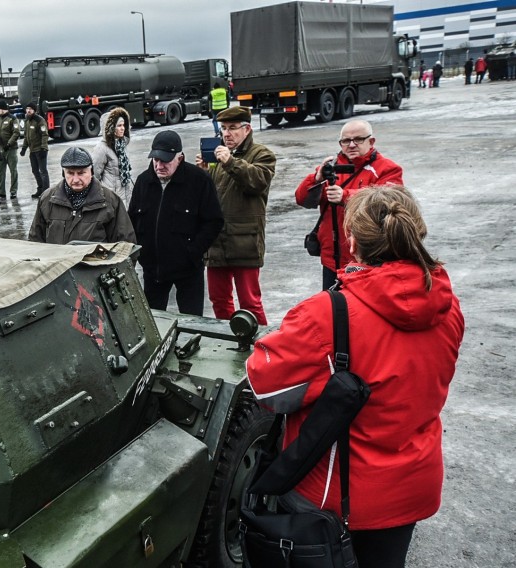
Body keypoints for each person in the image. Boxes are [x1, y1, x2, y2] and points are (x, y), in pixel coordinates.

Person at [246, 186, 465, 568]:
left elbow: (268, 385)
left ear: (351, 239)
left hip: (336, 496)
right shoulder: (446, 303)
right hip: (413, 481)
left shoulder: (328, 313)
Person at [294, 119, 403, 290]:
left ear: (371, 141)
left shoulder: (387, 169)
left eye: (358, 139)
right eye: (346, 141)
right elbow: (302, 199)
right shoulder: (331, 168)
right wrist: (316, 179)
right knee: (334, 309)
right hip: (333, 259)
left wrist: (346, 197)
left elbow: (390, 203)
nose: (351, 145)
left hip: (368, 258)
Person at [128, 131, 223, 315]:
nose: (159, 165)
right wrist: (143, 254)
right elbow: (132, 220)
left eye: (165, 160)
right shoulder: (143, 182)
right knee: (154, 322)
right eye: (156, 159)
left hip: (188, 270)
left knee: (193, 321)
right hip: (153, 270)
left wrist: (192, 252)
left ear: (180, 158)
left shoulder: (199, 180)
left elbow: (214, 221)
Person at [196, 106, 275, 326]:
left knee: (250, 303)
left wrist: (230, 162)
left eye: (233, 128)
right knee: (219, 301)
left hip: (245, 241)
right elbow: (214, 196)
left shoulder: (262, 154)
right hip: (218, 242)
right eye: (223, 128)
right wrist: (205, 172)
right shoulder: (220, 159)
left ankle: (262, 345)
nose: (227, 134)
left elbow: (257, 181)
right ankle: (229, 342)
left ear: (247, 129)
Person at [29, 147, 134, 245]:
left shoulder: (111, 201)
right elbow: (35, 242)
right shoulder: (47, 200)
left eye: (81, 173)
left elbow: (126, 244)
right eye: (70, 173)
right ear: (63, 173)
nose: (75, 179)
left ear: (91, 172)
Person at [91, 107, 133, 205]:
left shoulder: (122, 145)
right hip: (111, 198)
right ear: (111, 128)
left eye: (124, 125)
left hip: (126, 195)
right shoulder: (102, 148)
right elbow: (94, 176)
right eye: (119, 125)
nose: (123, 128)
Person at [20, 102, 49, 199]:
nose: (28, 110)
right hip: (32, 151)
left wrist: (43, 148)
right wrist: (24, 148)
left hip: (40, 150)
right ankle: (40, 189)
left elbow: (45, 135)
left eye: (30, 109)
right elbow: (26, 136)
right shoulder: (27, 121)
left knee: (43, 171)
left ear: (34, 111)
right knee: (35, 170)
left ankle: (46, 191)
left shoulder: (39, 120)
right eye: (27, 108)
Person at [0, 100, 20, 199]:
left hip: (11, 149)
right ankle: (1, 192)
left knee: (13, 170)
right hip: (0, 149)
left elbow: (16, 133)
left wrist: (9, 144)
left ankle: (13, 191)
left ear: (2, 109)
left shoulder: (12, 119)